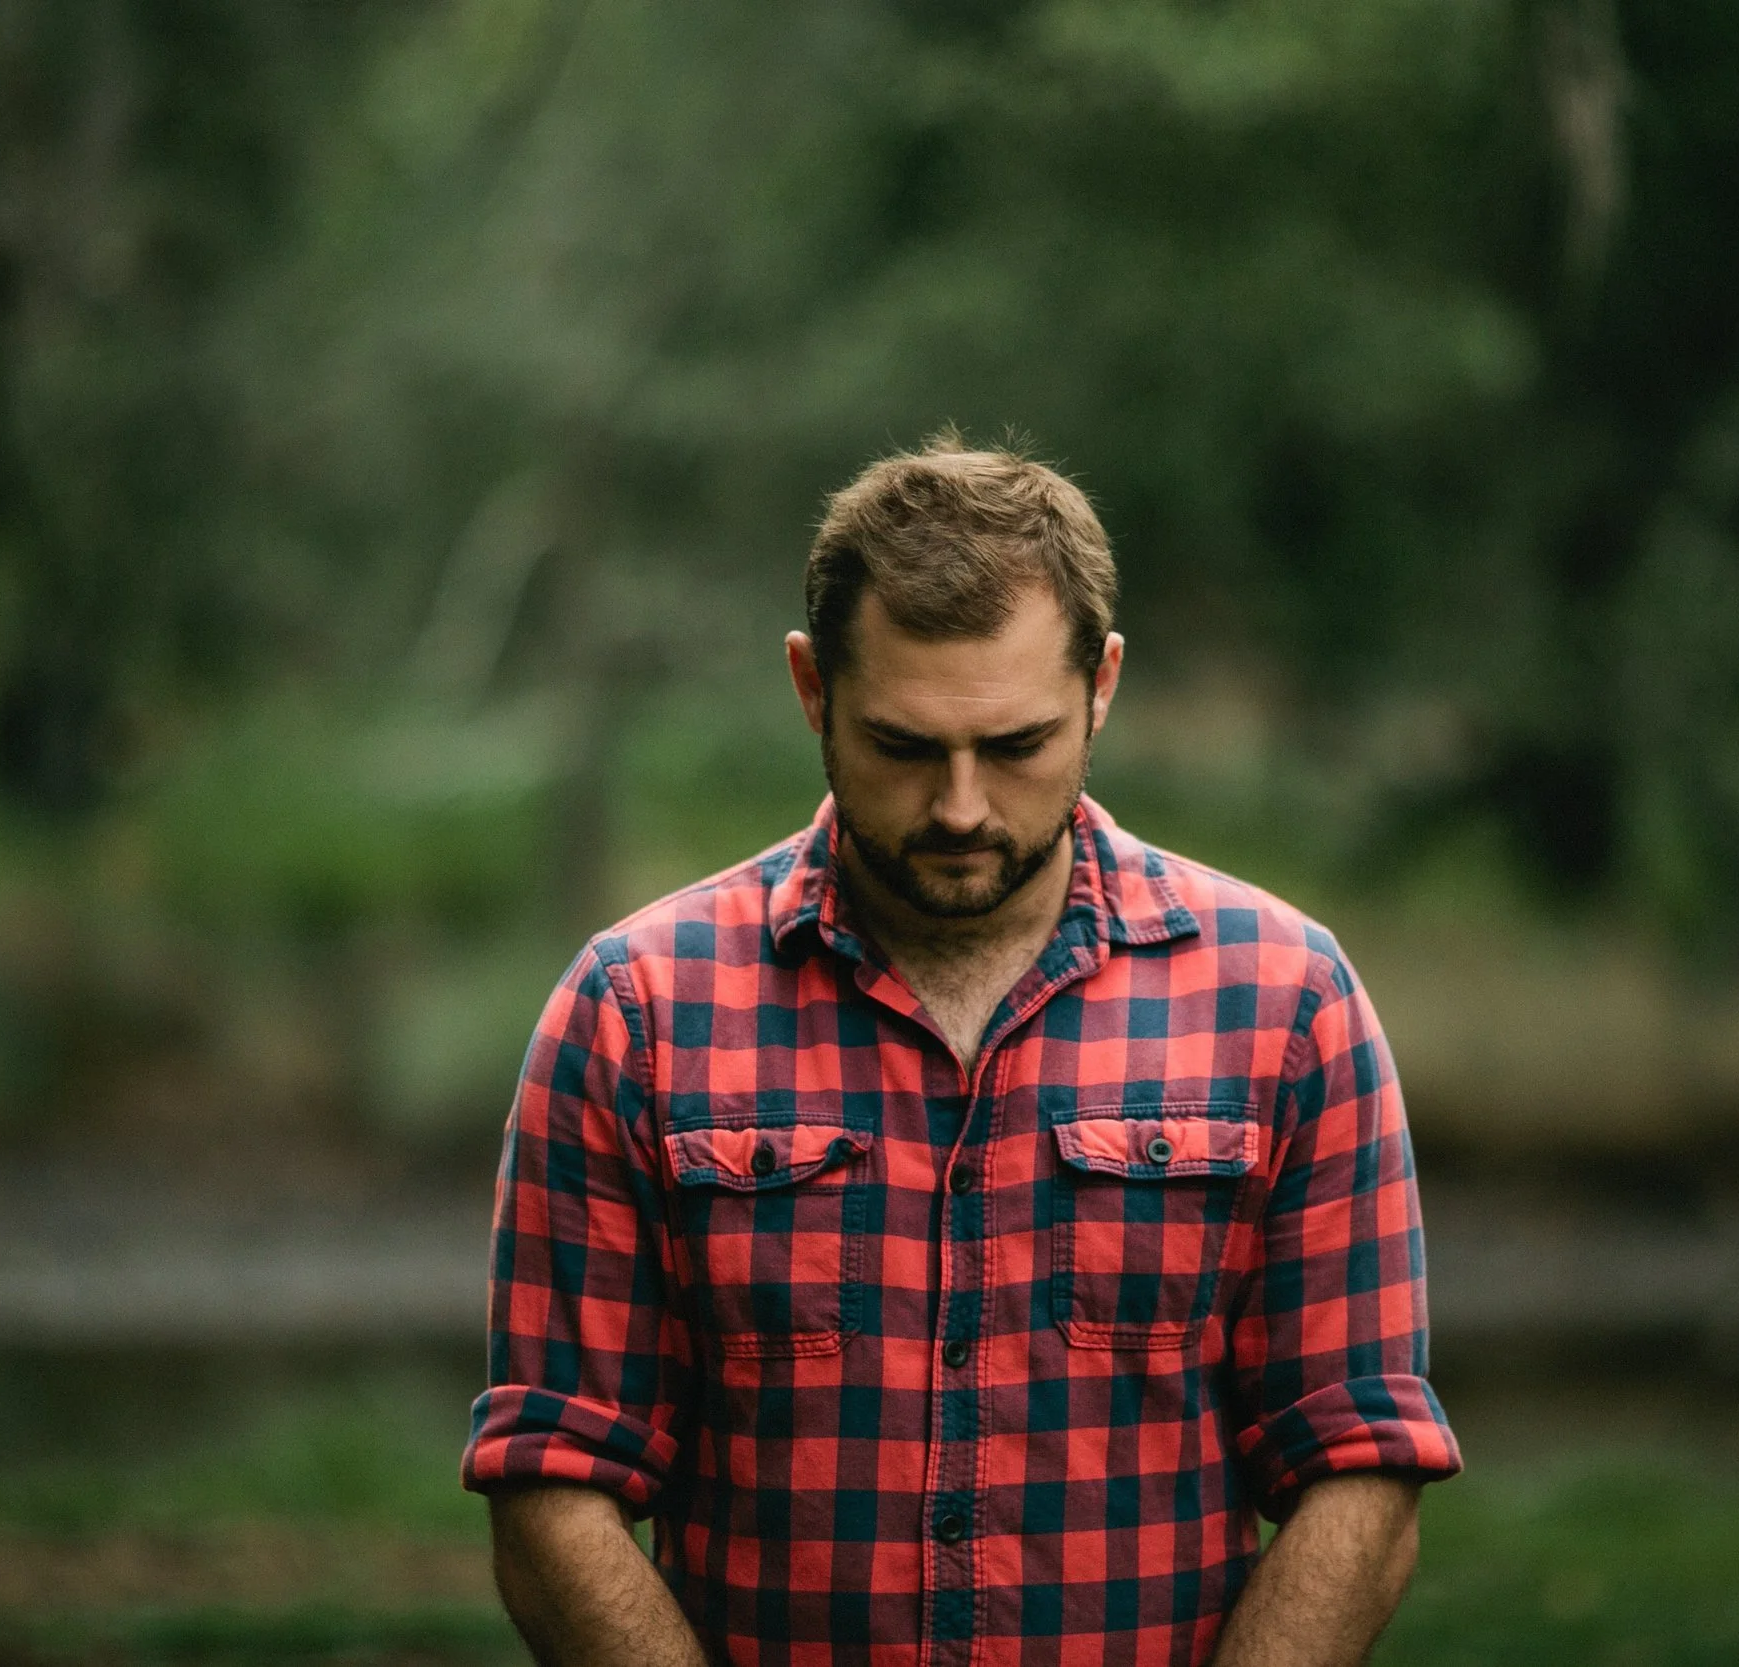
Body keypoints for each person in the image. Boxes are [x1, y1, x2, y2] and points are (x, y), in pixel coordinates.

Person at [462, 436, 1461, 1667]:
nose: (960, 808)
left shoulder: (1285, 1000)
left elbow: (1358, 1462)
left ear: (1101, 685)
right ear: (810, 688)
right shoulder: (637, 1011)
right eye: (903, 746)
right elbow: (554, 1473)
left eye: (1016, 744)